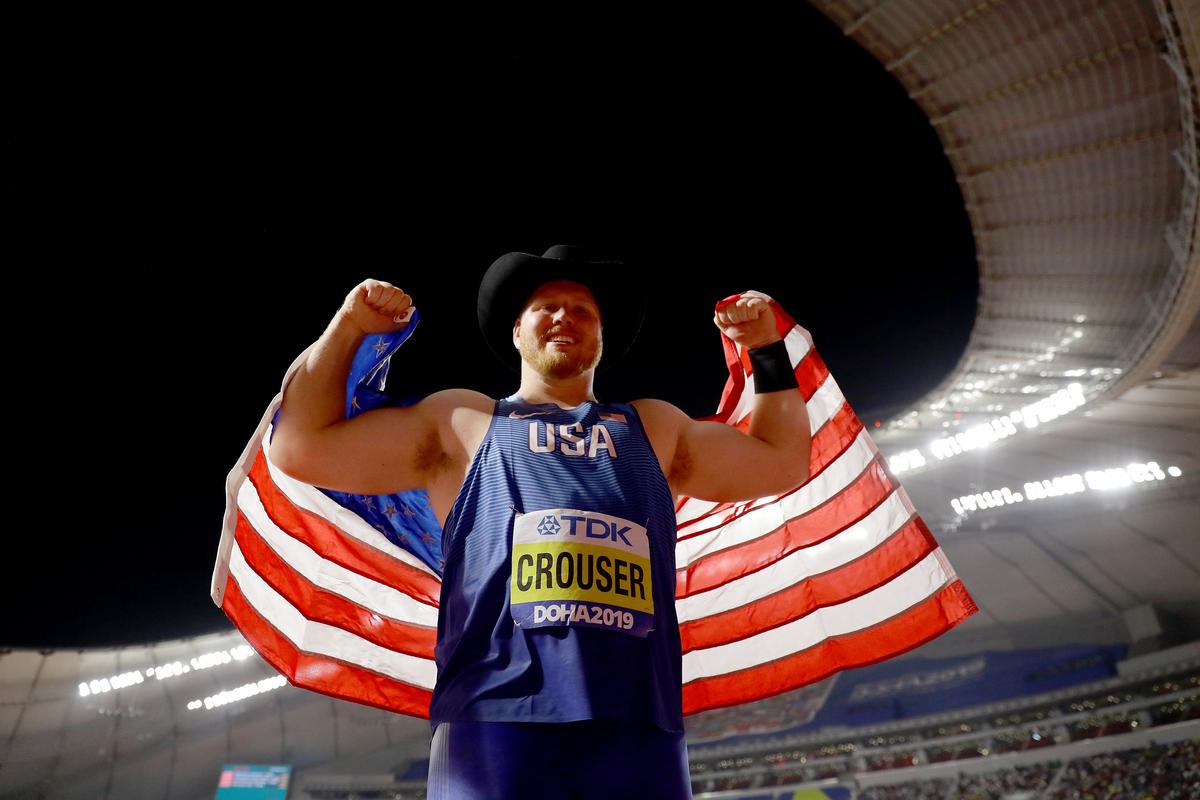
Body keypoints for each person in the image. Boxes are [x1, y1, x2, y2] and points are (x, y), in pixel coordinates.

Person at [270, 245, 812, 799]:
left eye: (583, 311)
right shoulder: (462, 423)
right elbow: (301, 446)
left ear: (602, 338)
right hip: (494, 716)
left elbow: (781, 460)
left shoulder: (654, 427)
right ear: (516, 331)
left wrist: (766, 349)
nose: (564, 317)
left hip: (637, 720)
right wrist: (349, 328)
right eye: (546, 306)